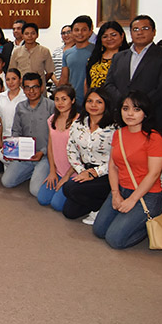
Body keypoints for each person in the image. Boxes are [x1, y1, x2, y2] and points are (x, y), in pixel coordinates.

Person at [93, 92, 162, 249]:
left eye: (136, 109)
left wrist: (132, 200)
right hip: (122, 189)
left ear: (145, 112)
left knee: (114, 239)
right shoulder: (118, 134)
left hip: (147, 195)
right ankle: (130, 220)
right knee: (99, 230)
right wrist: (115, 193)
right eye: (125, 108)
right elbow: (113, 166)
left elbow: (154, 174)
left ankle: (149, 223)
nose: (130, 114)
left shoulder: (154, 138)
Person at [104, 15, 162, 133]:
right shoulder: (119, 57)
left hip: (152, 118)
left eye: (145, 28)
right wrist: (125, 104)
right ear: (130, 33)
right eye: (135, 29)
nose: (139, 32)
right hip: (122, 118)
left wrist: (138, 106)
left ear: (154, 32)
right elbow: (109, 84)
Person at [61, 88, 116, 224]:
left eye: (99, 102)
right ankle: (101, 205)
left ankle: (102, 205)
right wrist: (82, 171)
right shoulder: (78, 124)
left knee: (68, 188)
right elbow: (71, 150)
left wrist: (95, 173)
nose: (93, 105)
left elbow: (117, 158)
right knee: (69, 212)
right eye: (90, 101)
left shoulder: (114, 127)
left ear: (106, 104)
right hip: (85, 169)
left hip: (107, 173)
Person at [0, 73, 56, 195]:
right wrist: (11, 149)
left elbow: (56, 136)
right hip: (25, 154)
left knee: (35, 190)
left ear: (41, 88)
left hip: (45, 155)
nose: (31, 91)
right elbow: (16, 131)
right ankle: (33, 172)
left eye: (35, 87)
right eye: (27, 87)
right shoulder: (20, 107)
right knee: (6, 182)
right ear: (23, 89)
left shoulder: (51, 106)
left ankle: (40, 171)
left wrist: (43, 152)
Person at [38, 85, 79, 210]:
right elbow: (50, 147)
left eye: (64, 99)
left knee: (57, 205)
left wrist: (67, 177)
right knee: (43, 199)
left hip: (73, 172)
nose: (60, 103)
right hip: (57, 170)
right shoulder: (51, 120)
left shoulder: (80, 122)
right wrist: (52, 171)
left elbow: (82, 154)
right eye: (57, 99)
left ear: (72, 100)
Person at [0, 68, 25, 173]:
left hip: (21, 138)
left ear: (20, 80)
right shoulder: (1, 97)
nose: (11, 82)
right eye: (8, 79)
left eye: (14, 79)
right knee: (1, 159)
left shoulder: (25, 97)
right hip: (6, 138)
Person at [60, 15, 95, 105]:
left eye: (84, 30)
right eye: (76, 30)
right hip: (73, 100)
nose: (80, 33)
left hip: (92, 100)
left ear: (90, 31)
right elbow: (64, 78)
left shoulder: (96, 51)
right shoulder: (67, 53)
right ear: (72, 32)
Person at [85, 20, 129, 92]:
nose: (109, 39)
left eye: (113, 35)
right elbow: (87, 83)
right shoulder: (95, 58)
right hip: (94, 97)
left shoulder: (128, 57)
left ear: (122, 35)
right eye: (105, 36)